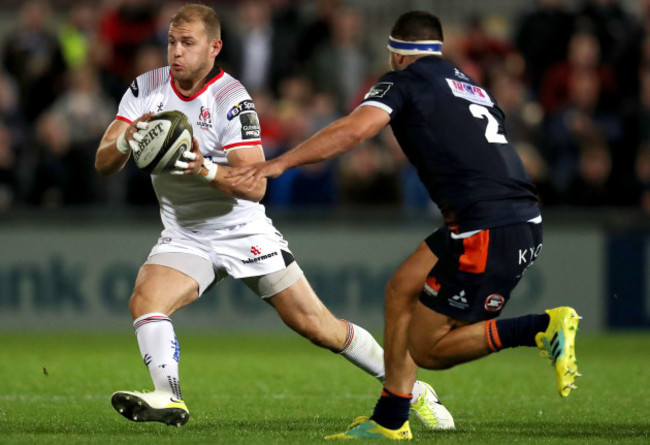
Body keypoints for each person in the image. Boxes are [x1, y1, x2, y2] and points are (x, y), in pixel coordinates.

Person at [94, 4, 453, 430]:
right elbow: (102, 162)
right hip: (186, 233)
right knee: (146, 300)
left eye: (187, 43)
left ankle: (415, 391)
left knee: (321, 328)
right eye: (172, 41)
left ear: (214, 47)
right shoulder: (145, 88)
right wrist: (126, 141)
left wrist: (204, 168)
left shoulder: (231, 99)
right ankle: (168, 396)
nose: (176, 52)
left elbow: (256, 184)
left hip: (242, 230)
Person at [227, 10, 581, 440]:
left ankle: (541, 328)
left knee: (428, 349)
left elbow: (355, 130)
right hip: (497, 217)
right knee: (400, 289)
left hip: (486, 228)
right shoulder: (470, 85)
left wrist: (278, 162)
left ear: (396, 53)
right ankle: (391, 420)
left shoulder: (404, 80)